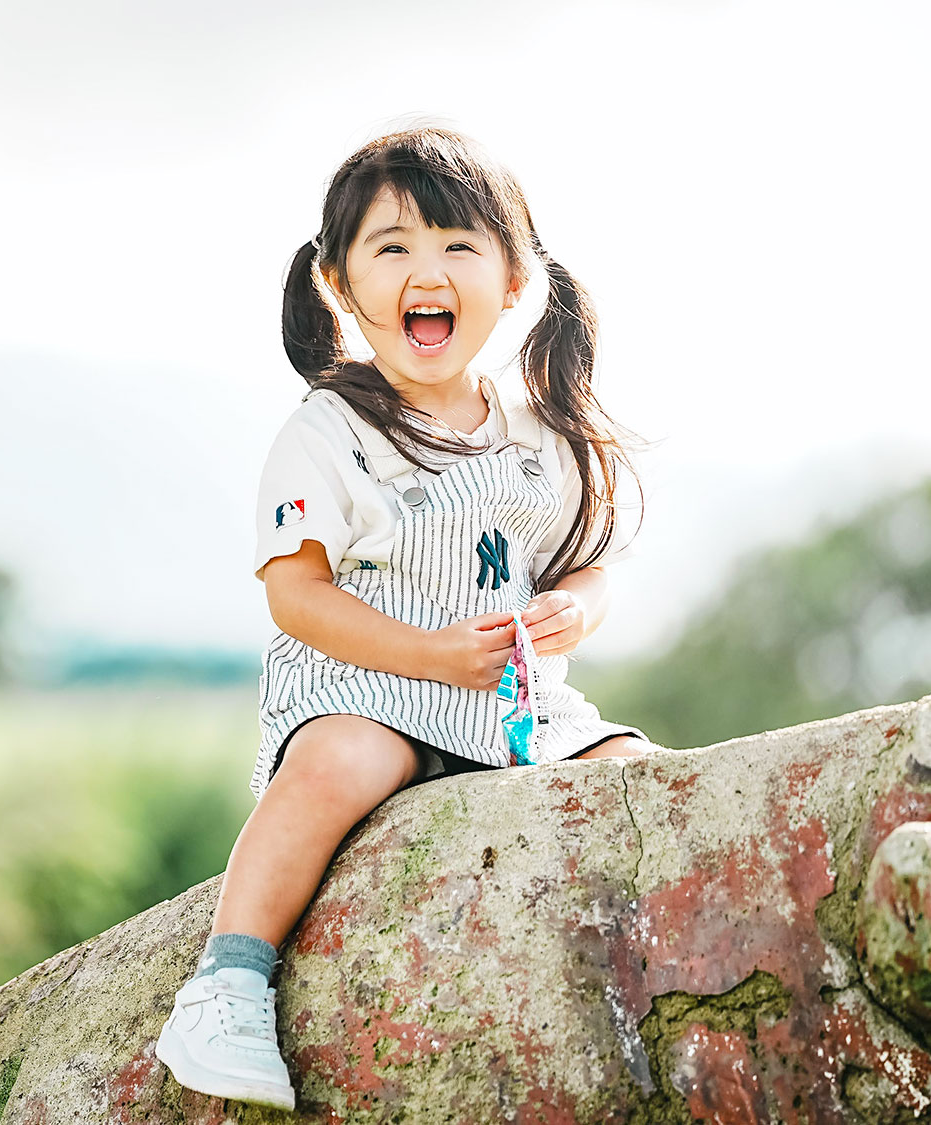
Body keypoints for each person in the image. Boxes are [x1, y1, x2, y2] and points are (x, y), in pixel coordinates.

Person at [154, 126, 662, 1110]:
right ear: (340, 287)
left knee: (638, 775)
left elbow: (589, 565)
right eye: (390, 249)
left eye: (457, 246)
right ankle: (225, 982)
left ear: (515, 281)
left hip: (513, 704)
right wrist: (426, 654)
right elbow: (294, 595)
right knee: (343, 764)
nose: (424, 270)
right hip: (367, 686)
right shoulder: (327, 433)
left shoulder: (539, 435)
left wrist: (569, 613)